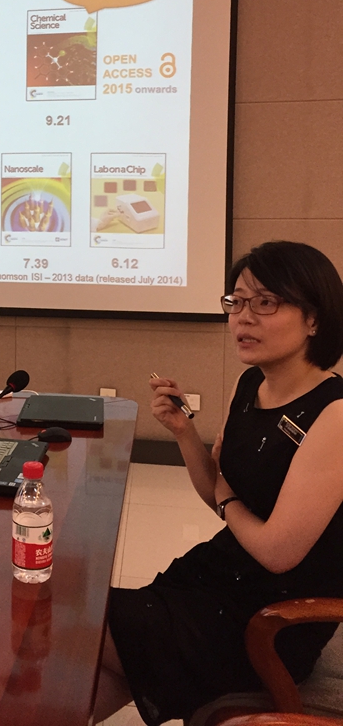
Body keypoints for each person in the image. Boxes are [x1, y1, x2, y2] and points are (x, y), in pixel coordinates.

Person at [94, 240, 343, 726]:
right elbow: (217, 492)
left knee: (75, 625)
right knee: (92, 660)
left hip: (270, 618)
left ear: (314, 319)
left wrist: (226, 497)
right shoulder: (250, 385)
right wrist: (183, 432)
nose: (243, 317)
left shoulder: (334, 414)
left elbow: (276, 551)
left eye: (265, 302)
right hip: (217, 579)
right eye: (237, 301)